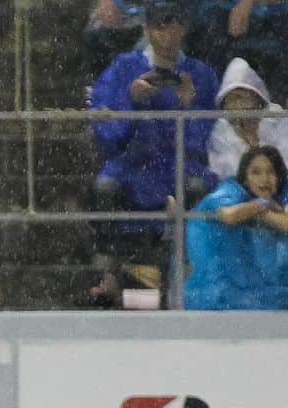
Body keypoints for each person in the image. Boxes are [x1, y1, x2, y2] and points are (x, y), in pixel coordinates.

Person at [88, 0, 220, 304]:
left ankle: (191, 269)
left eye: (174, 24)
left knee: (198, 188)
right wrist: (131, 102)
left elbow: (206, 139)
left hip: (181, 164)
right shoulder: (123, 68)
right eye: (160, 25)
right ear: (148, 28)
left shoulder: (200, 74)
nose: (167, 34)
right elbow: (106, 130)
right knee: (105, 187)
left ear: (184, 27)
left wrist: (188, 107)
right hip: (133, 164)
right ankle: (108, 271)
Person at [184, 144, 288, 308]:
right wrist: (261, 205)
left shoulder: (287, 191)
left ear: (279, 176)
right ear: (245, 178)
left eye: (271, 172)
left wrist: (261, 210)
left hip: (270, 290)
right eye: (256, 172)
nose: (264, 179)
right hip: (221, 290)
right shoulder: (231, 190)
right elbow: (229, 215)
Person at [208, 57, 288, 178]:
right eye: (230, 99)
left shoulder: (280, 121)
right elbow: (226, 174)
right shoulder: (221, 131)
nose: (235, 104)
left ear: (256, 97)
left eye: (240, 97)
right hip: (240, 192)